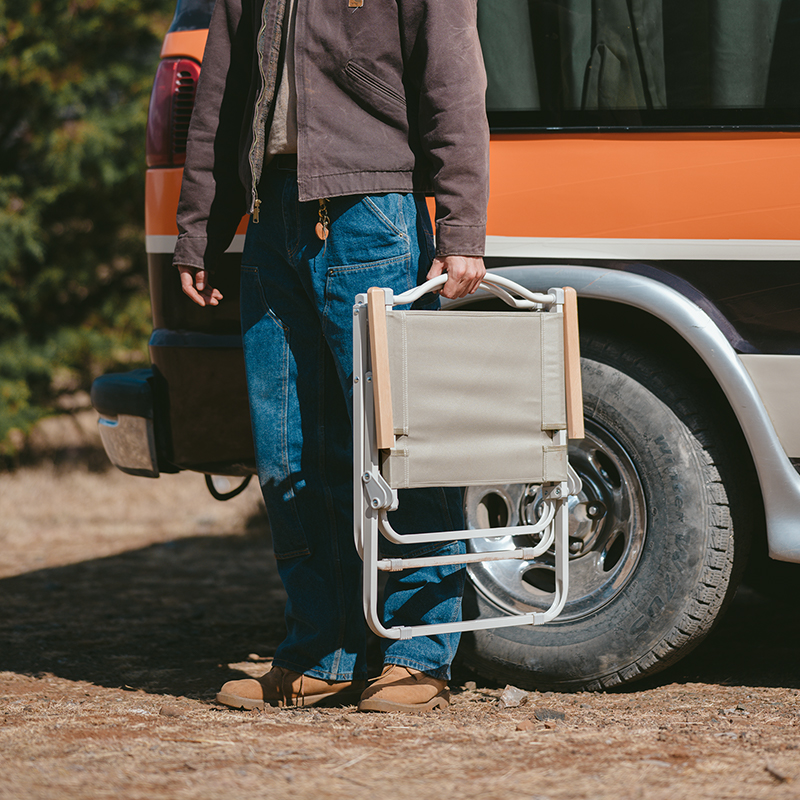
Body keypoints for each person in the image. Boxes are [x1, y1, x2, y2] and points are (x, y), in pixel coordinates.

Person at [173, 0, 490, 713]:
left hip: (373, 211)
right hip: (272, 213)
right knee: (288, 447)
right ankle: (323, 649)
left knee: (397, 442)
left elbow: (453, 77)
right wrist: (200, 227)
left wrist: (462, 223)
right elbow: (219, 96)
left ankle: (418, 650)